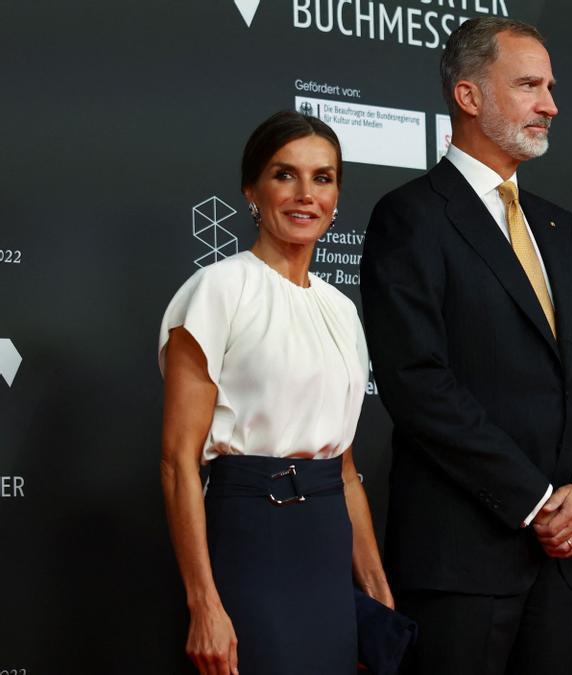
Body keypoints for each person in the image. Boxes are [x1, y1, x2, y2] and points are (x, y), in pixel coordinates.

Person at [359, 17, 572, 675]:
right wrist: (535, 499)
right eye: (529, 84)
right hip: (462, 556)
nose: (551, 104)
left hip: (560, 559)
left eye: (550, 86)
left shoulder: (559, 225)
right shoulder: (410, 215)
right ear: (468, 96)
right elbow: (417, 382)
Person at [158, 110, 392, 674]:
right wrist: (204, 604)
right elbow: (176, 463)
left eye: (323, 177)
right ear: (252, 190)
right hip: (249, 538)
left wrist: (376, 589)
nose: (305, 194)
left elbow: (344, 469)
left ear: (337, 195)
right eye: (285, 175)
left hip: (326, 547)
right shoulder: (218, 290)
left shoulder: (341, 311)